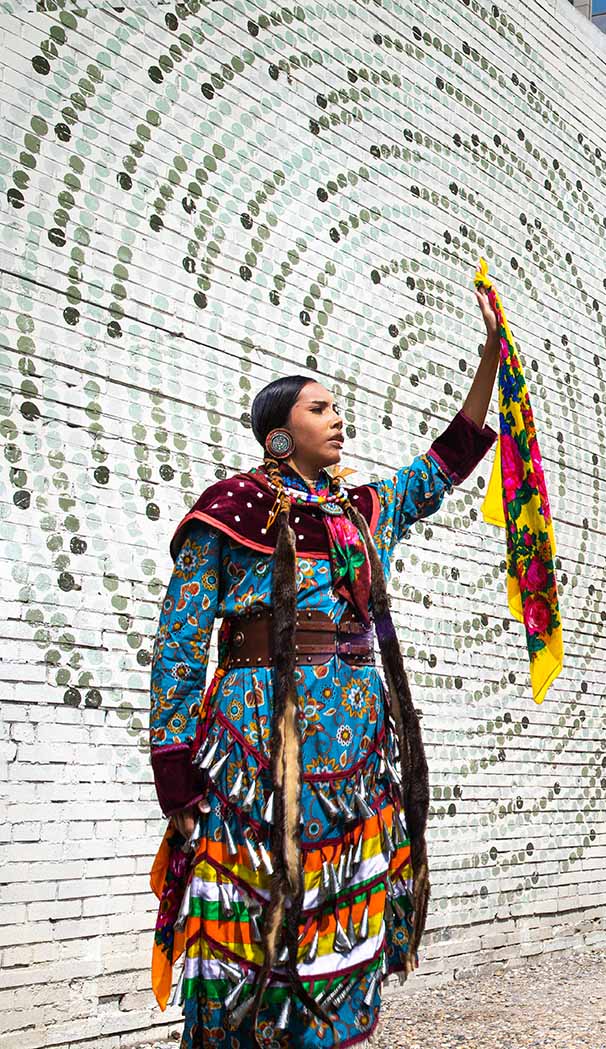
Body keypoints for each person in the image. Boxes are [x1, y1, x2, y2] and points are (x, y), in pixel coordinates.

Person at [149, 288, 500, 1048]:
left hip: (356, 745)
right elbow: (178, 644)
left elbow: (443, 460)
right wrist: (174, 769)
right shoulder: (230, 508)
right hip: (253, 739)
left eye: (336, 405)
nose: (337, 417)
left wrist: (491, 360)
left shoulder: (361, 513)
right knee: (253, 905)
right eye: (319, 407)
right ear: (278, 433)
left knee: (343, 902)